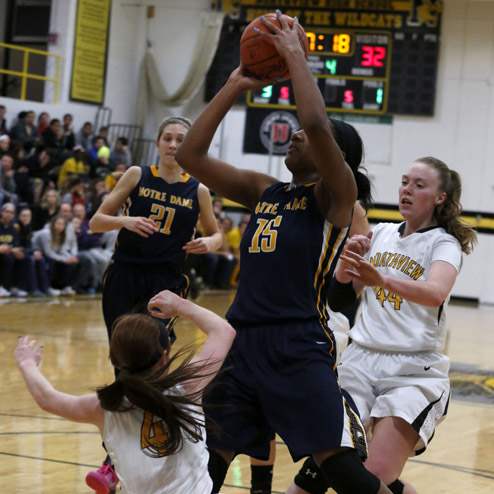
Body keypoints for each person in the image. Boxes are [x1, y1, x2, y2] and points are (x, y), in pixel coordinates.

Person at [176, 12, 390, 494]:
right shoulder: (266, 191)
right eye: (294, 132)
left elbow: (314, 120)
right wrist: (234, 83)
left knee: (336, 467)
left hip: (298, 344)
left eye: (308, 137)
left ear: (332, 154)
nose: (294, 134)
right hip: (242, 340)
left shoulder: (337, 196)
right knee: (206, 460)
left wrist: (295, 55)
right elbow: (191, 156)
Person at [289, 157, 477, 494]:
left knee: (374, 473)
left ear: (440, 198)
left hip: (411, 370)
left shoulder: (443, 244)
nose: (407, 189)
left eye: (419, 185)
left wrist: (382, 279)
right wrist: (347, 265)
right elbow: (340, 300)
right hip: (360, 362)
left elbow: (435, 293)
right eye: (405, 181)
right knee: (328, 466)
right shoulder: (381, 234)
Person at [87, 116, 222, 492]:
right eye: (168, 137)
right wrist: (126, 221)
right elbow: (97, 221)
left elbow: (217, 235)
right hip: (125, 275)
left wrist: (208, 244)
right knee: (124, 362)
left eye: (182, 138)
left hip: (165, 282)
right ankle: (113, 458)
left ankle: (156, 433)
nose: (174, 144)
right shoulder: (136, 174)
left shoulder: (198, 190)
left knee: (155, 361)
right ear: (159, 142)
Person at [15, 289, 236, 494]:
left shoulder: (103, 407)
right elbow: (223, 330)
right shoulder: (186, 387)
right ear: (165, 356)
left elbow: (48, 399)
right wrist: (179, 305)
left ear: (115, 359)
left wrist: (27, 364)